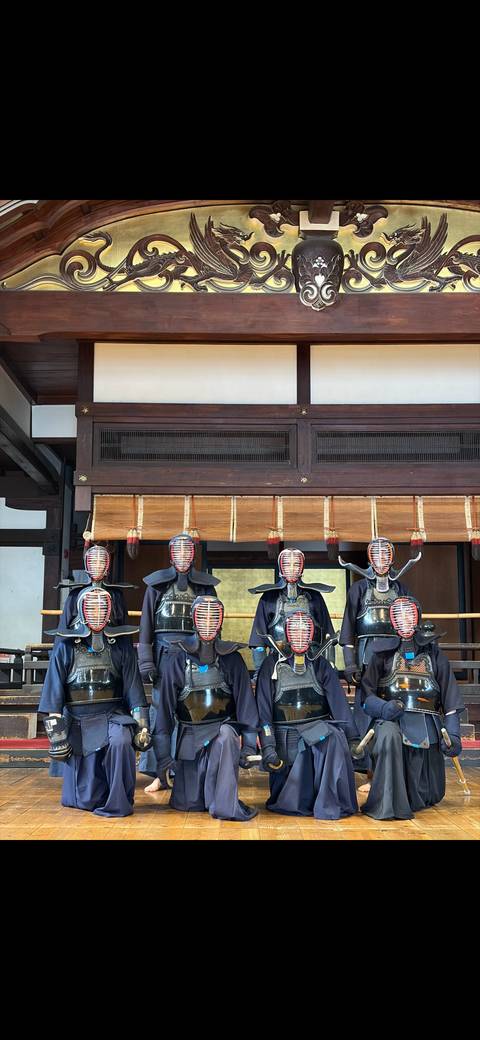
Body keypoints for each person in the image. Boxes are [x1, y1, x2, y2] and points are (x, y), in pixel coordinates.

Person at [39, 586, 151, 818]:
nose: (97, 613)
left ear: (110, 611)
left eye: (103, 608)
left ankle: (119, 801)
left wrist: (142, 726)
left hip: (113, 715)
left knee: (121, 741)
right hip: (78, 720)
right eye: (92, 608)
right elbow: (53, 696)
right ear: (81, 610)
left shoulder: (121, 646)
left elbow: (134, 690)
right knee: (85, 798)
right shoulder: (65, 647)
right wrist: (57, 738)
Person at [152, 596, 259, 822]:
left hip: (222, 732)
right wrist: (162, 758)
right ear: (194, 619)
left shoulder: (233, 660)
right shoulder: (177, 658)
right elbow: (165, 711)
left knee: (227, 735)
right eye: (203, 617)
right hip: (189, 738)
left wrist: (249, 746)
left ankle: (224, 805)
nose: (208, 622)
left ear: (221, 621)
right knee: (188, 804)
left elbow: (246, 705)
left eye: (214, 617)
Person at [358, 595, 464, 820]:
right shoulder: (381, 655)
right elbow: (365, 697)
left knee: (427, 795)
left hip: (427, 728)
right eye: (399, 615)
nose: (405, 620)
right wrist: (383, 708)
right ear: (392, 621)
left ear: (417, 617)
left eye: (409, 614)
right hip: (390, 720)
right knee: (388, 734)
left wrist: (454, 735)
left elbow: (452, 704)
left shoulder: (435, 656)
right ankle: (386, 801)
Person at [256, 610, 359, 820]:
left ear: (312, 634)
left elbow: (339, 705)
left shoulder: (322, 665)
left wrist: (353, 739)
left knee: (335, 736)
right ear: (286, 633)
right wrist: (268, 745)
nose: (300, 636)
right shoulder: (270, 665)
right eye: (295, 631)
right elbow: (264, 713)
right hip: (287, 742)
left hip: (317, 734)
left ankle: (329, 802)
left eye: (305, 631)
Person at [137, 533, 220, 791]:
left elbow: (215, 623)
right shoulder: (156, 586)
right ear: (171, 555)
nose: (183, 556)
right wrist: (146, 661)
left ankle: (187, 767)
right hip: (164, 655)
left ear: (193, 555)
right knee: (161, 711)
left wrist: (215, 656)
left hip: (196, 654)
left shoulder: (205, 586)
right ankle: (158, 772)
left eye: (188, 552)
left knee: (191, 708)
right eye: (178, 552)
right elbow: (146, 628)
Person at [47, 543, 136, 778]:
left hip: (112, 655)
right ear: (86, 565)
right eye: (92, 561)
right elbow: (63, 630)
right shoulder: (76, 594)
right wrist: (62, 656)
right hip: (78, 652)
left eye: (101, 561)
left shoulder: (116, 595)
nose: (97, 565)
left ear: (107, 566)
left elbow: (124, 631)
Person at [249, 548, 336, 673]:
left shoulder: (315, 597)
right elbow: (258, 642)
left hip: (312, 663)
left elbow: (328, 638)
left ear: (302, 567)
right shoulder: (269, 598)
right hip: (277, 664)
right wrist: (261, 672)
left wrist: (330, 668)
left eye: (296, 564)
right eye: (287, 564)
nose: (291, 568)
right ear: (280, 566)